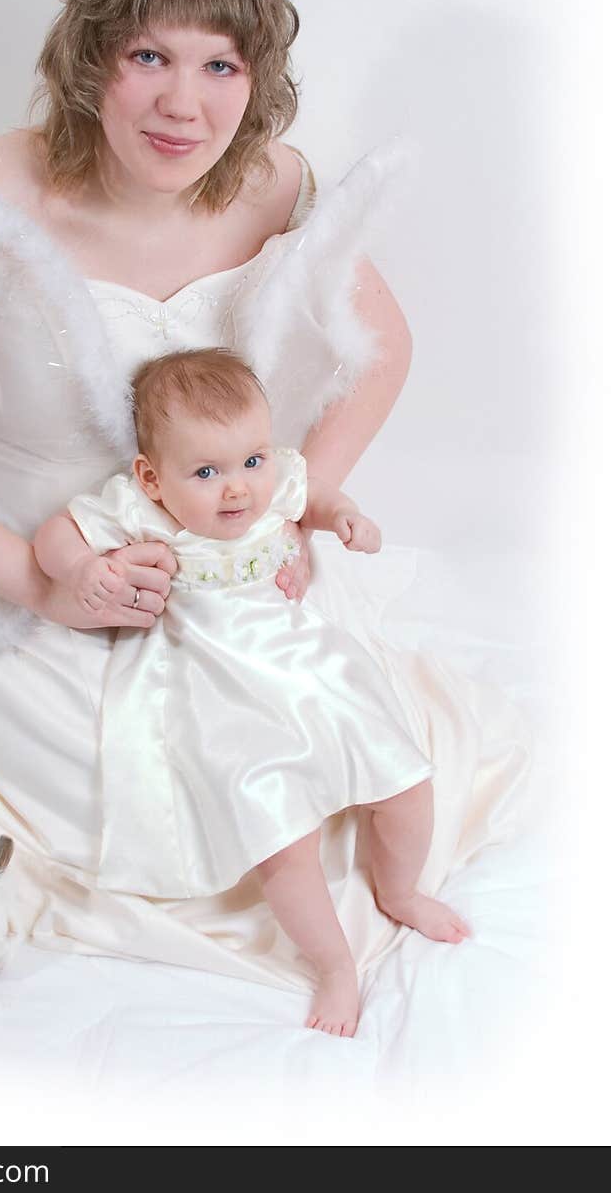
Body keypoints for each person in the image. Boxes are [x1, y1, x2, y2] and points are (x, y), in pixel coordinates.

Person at [0, 0, 529, 1037]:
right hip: (29, 562)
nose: (184, 104)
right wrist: (38, 578)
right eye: (148, 55)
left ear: (259, 74)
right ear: (89, 55)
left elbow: (386, 351)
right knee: (164, 800)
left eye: (221, 65)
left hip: (212, 540)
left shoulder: (273, 182)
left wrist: (301, 492)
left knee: (345, 768)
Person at [33, 347, 470, 1037]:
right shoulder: (143, 512)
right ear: (152, 478)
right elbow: (56, 535)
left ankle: (400, 890)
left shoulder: (276, 486)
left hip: (307, 668)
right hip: (219, 692)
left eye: (252, 461)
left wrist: (343, 515)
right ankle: (333, 965)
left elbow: (312, 494)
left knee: (408, 784)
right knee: (282, 844)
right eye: (206, 472)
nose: (238, 489)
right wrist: (83, 568)